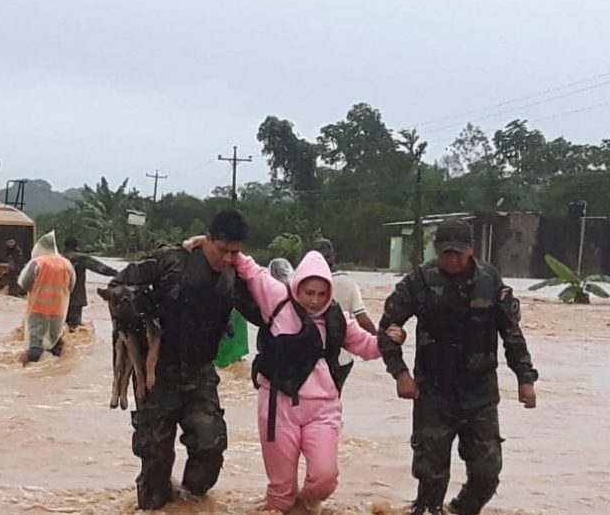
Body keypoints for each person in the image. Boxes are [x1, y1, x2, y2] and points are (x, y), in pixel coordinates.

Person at [183, 242, 403, 513]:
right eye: (309, 292)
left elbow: (368, 347)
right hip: (278, 407)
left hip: (323, 410)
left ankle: (305, 504)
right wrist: (213, 245)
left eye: (322, 294)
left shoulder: (339, 319)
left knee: (325, 479)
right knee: (281, 492)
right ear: (296, 285)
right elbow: (250, 270)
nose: (314, 300)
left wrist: (390, 340)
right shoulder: (276, 300)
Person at [378, 218, 539, 515]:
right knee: (431, 476)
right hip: (433, 394)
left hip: (479, 395)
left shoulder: (490, 281)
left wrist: (525, 378)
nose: (452, 260)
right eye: (445, 253)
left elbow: (511, 334)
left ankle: (460, 509)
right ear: (437, 250)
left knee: (487, 472)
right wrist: (401, 374)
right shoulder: (420, 281)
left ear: (471, 250)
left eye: (458, 253)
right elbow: (387, 329)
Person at [108, 210, 261, 511]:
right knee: (154, 467)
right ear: (208, 240)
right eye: (223, 250)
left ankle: (190, 500)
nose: (228, 258)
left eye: (235, 252)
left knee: (211, 445)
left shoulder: (234, 276)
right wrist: (137, 310)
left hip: (199, 375)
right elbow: (116, 286)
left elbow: (265, 312)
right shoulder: (170, 262)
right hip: (156, 375)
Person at [309, 238, 376, 393]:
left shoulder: (304, 285)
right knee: (332, 401)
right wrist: (380, 340)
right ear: (334, 256)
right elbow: (362, 318)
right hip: (343, 359)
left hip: (312, 359)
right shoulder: (347, 282)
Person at [17, 231, 75, 364]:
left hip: (37, 309)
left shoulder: (38, 262)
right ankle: (54, 374)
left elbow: (24, 284)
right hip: (59, 311)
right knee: (55, 342)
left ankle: (33, 374)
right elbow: (71, 287)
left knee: (35, 343)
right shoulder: (67, 264)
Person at [61, 237, 119, 331]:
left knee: (60, 329)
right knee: (74, 329)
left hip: (58, 299)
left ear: (64, 247)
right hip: (76, 300)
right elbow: (101, 268)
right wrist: (119, 274)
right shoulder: (81, 259)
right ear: (77, 247)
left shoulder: (57, 259)